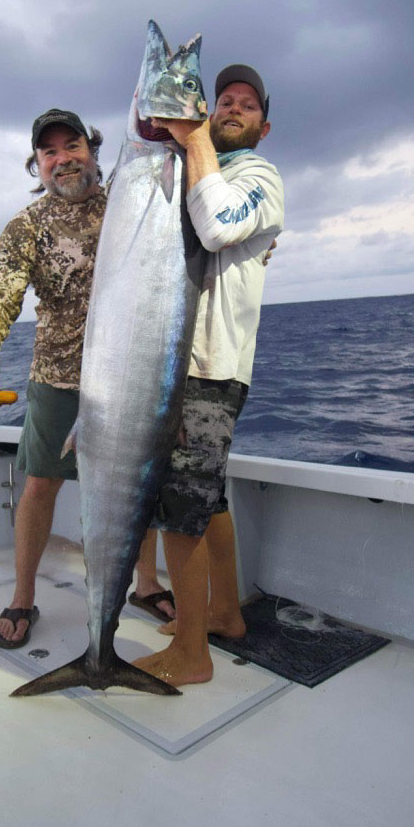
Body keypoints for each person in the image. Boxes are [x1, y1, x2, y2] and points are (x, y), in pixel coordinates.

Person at [0, 108, 174, 648]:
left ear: (94, 152)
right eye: (49, 153)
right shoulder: (26, 226)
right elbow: (0, 295)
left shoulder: (132, 199)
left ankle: (144, 583)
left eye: (72, 146)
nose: (62, 159)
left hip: (132, 377)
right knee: (40, 485)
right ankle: (24, 596)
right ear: (37, 166)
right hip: (59, 377)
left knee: (139, 480)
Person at [132, 64, 284, 687]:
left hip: (207, 370)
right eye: (223, 100)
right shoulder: (205, 170)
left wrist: (193, 135)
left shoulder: (258, 175)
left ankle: (191, 655)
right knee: (208, 499)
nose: (230, 107)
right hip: (189, 365)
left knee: (180, 508)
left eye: (245, 104)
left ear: (263, 127)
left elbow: (220, 226)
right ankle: (224, 613)